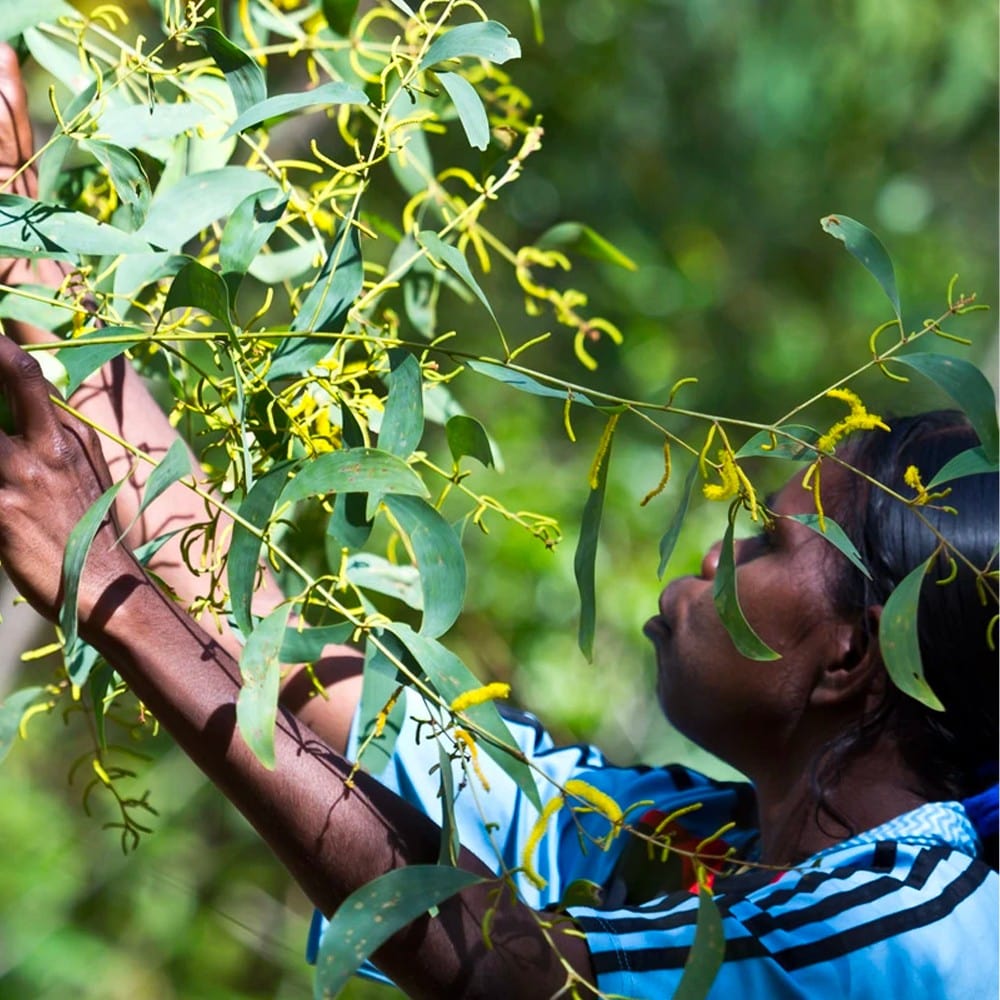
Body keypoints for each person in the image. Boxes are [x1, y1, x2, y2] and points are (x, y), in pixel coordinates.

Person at [0, 45, 996, 999]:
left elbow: (507, 973)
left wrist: (111, 596)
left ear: (851, 655)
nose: (712, 552)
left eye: (767, 540)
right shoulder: (679, 843)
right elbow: (284, 666)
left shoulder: (917, 942)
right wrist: (26, 233)